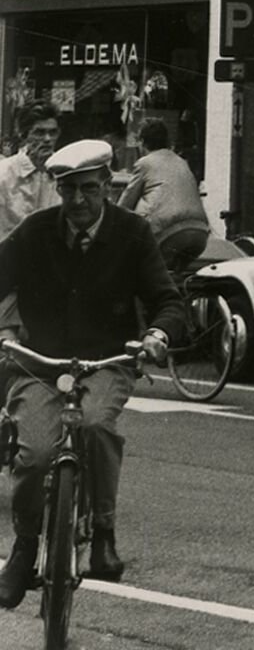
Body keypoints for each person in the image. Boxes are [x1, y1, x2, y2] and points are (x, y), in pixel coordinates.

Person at [0, 138, 181, 606]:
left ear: (107, 185)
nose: (78, 201)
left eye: (88, 189)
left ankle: (102, 531)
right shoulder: (36, 231)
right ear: (57, 190)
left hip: (106, 362)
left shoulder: (132, 233)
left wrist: (157, 336)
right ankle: (23, 548)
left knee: (98, 426)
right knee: (35, 453)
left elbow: (167, 299)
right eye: (68, 191)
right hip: (41, 364)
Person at [119, 119, 211, 271]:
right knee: (175, 278)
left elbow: (125, 204)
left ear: (142, 141)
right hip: (199, 232)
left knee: (139, 268)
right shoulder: (181, 161)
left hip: (167, 232)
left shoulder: (145, 163)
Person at [0, 104, 61, 241]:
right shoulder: (4, 174)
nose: (47, 139)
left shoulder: (64, 171)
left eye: (53, 132)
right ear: (24, 135)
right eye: (39, 133)